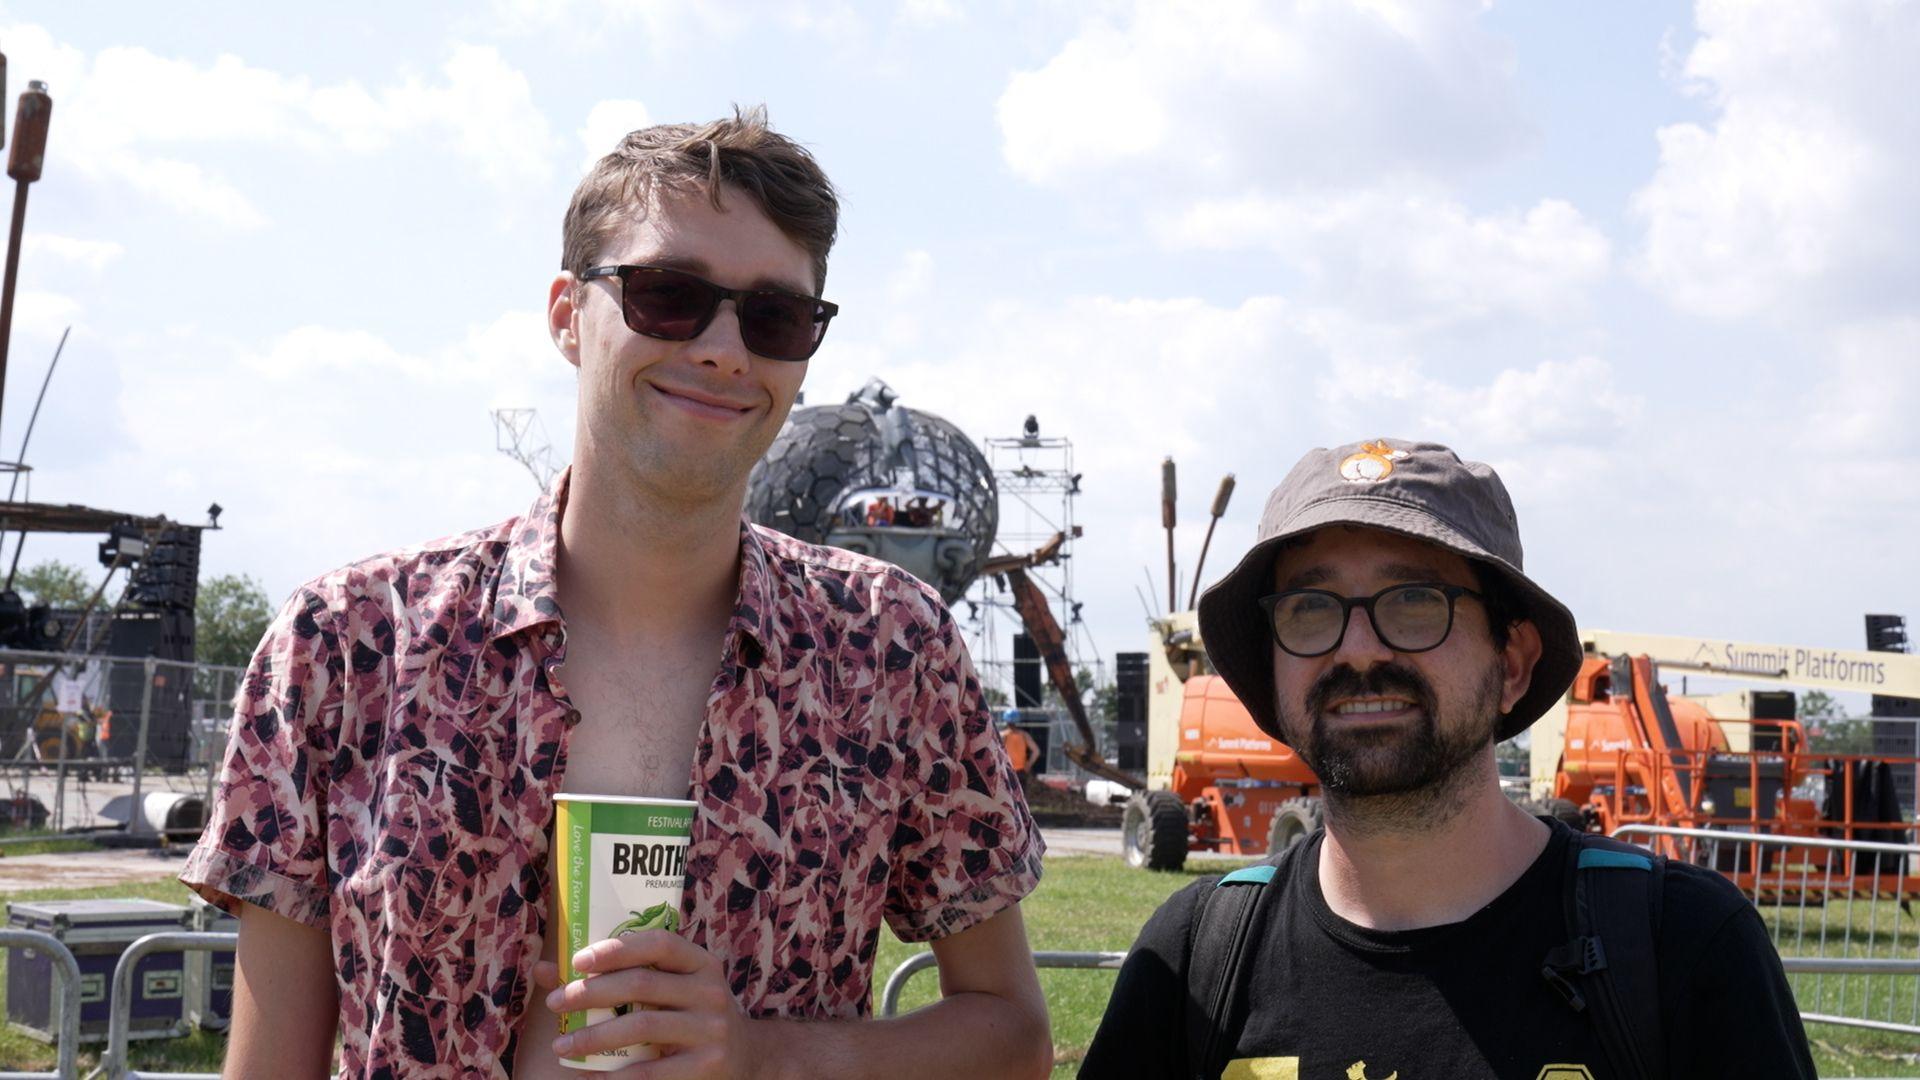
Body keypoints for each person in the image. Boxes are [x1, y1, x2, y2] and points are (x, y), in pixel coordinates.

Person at [183, 108, 1051, 1079]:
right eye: (668, 296)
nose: (725, 348)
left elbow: (1013, 1036)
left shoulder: (887, 649)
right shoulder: (346, 646)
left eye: (774, 316)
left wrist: (760, 1059)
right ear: (567, 314)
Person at [1081, 438, 1814, 1079]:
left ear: (1514, 663)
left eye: (1414, 602)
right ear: (1275, 673)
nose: (1359, 649)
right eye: (1311, 608)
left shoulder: (1683, 948)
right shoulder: (1192, 966)